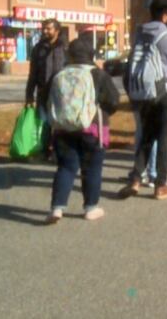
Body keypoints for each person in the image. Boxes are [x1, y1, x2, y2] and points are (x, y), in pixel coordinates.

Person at [119, 0, 167, 200]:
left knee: (147, 138)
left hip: (145, 94)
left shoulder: (139, 37)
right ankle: (160, 185)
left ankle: (134, 179)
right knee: (164, 138)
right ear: (165, 15)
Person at [46, 39, 120, 223]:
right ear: (91, 55)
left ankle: (56, 209)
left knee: (65, 167)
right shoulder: (98, 75)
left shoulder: (59, 74)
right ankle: (90, 208)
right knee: (92, 169)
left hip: (63, 128)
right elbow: (113, 101)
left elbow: (45, 99)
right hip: (93, 129)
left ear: (69, 54)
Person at [25, 18, 67, 159]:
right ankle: (44, 151)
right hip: (43, 92)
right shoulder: (38, 48)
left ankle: (58, 151)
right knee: (43, 123)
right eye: (44, 28)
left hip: (62, 93)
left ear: (57, 30)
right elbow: (32, 73)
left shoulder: (65, 48)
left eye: (48, 29)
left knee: (60, 124)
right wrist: (29, 95)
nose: (45, 31)